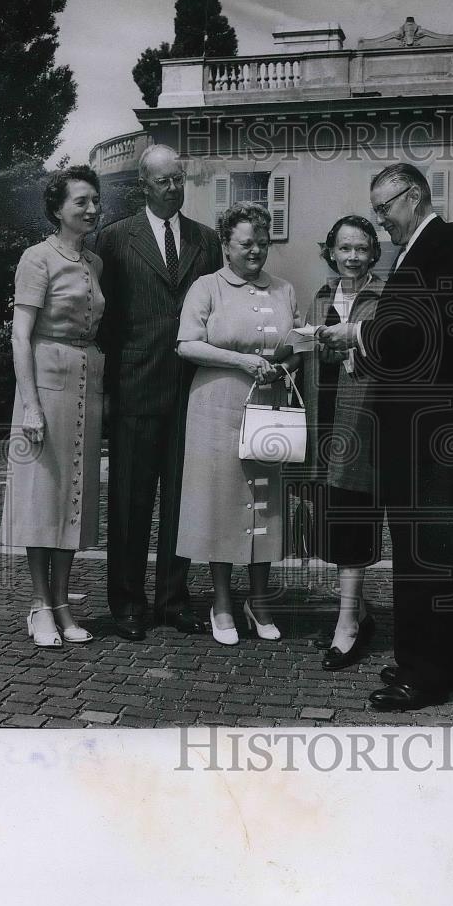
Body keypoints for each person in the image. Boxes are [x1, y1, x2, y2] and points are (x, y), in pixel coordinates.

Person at [318, 163, 453, 710]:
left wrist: (356, 330)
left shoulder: (448, 239)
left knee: (427, 557)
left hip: (432, 434)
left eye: (384, 207)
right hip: (421, 433)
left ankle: (427, 675)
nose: (380, 220)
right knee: (425, 553)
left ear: (412, 196)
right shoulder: (415, 251)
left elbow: (421, 327)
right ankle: (440, 661)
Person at [96, 144, 223, 640]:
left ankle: (174, 600)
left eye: (179, 179)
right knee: (129, 503)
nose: (175, 188)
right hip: (135, 386)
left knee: (182, 501)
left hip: (193, 391)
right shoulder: (114, 240)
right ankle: (126, 604)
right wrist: (113, 385)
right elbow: (106, 320)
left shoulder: (206, 240)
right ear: (144, 185)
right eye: (165, 181)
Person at [175, 203, 301, 645]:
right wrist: (244, 361)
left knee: (264, 503)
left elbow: (296, 342)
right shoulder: (206, 287)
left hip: (268, 405)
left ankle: (260, 599)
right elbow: (186, 344)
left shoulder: (284, 289)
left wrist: (285, 363)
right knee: (222, 503)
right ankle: (223, 602)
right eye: (246, 243)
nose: (256, 251)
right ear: (226, 246)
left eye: (263, 243)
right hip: (217, 404)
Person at [0, 165, 104, 647]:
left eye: (95, 200)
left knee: (73, 497)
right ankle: (40, 605)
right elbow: (21, 336)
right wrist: (31, 407)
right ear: (57, 209)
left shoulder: (94, 263)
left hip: (87, 381)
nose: (91, 209)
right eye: (80, 201)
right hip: (45, 379)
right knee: (43, 494)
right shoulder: (36, 258)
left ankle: (63, 604)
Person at [300, 215, 386, 670]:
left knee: (354, 522)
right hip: (325, 426)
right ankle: (357, 610)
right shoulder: (318, 299)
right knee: (332, 523)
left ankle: (347, 623)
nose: (352, 256)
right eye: (344, 248)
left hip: (363, 428)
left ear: (373, 253)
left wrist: (358, 347)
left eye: (361, 249)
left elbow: (396, 353)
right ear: (331, 251)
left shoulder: (385, 296)